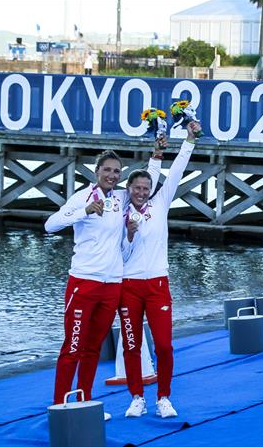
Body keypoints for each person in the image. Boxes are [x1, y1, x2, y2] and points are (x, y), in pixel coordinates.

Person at [44, 149, 159, 419]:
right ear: (97, 172)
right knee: (73, 346)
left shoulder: (121, 198)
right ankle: (61, 406)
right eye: (107, 170)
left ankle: (84, 400)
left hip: (112, 285)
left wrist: (157, 152)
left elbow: (145, 184)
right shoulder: (83, 196)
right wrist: (83, 212)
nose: (111, 175)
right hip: (84, 282)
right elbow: (50, 225)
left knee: (93, 348)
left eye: (116, 171)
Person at [119, 125, 200, 418]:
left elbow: (176, 171)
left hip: (157, 284)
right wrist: (128, 234)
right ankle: (136, 397)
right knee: (131, 345)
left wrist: (188, 141)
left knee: (164, 346)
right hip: (128, 286)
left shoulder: (160, 203)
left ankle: (163, 397)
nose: (141, 192)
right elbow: (122, 255)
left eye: (145, 188)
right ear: (129, 190)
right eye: (136, 189)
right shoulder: (122, 213)